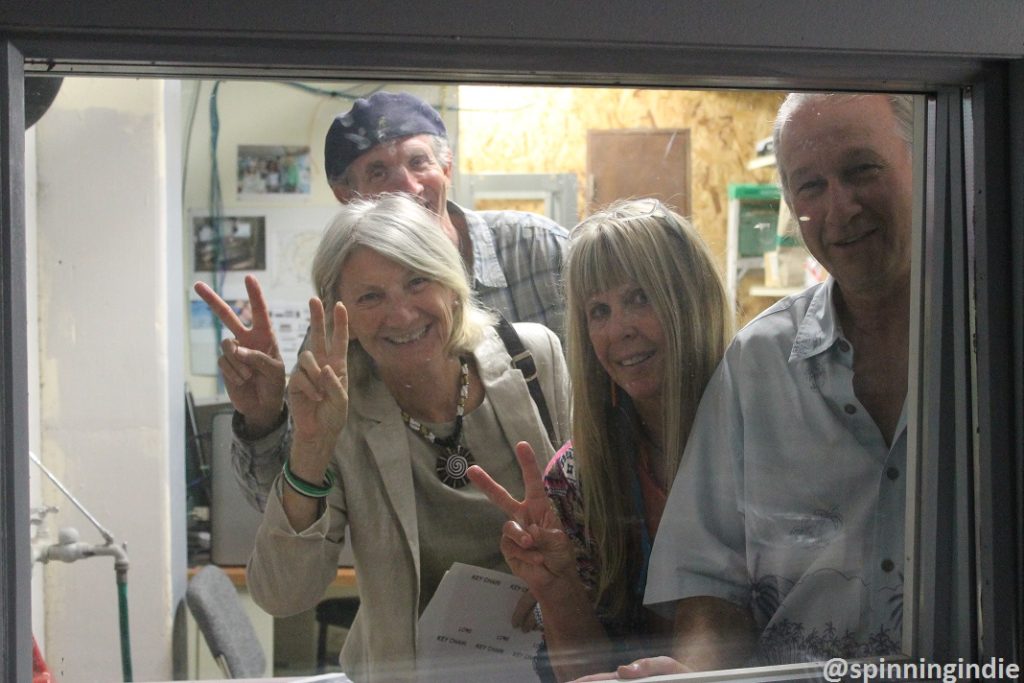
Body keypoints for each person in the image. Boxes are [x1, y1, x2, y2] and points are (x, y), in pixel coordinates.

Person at [583, 92, 914, 681]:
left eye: (862, 170)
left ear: (928, 165)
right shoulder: (758, 364)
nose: (840, 209)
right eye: (809, 187)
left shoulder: (994, 349)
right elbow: (711, 591)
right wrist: (698, 675)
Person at [238, 193, 570, 683]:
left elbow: (598, 521)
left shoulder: (533, 358)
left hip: (553, 661)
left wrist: (562, 588)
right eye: (371, 297)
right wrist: (309, 444)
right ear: (340, 315)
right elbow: (283, 594)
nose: (401, 315)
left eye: (417, 281)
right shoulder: (339, 413)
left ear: (453, 285)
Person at [197, 90, 569, 511]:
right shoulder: (342, 326)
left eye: (418, 162)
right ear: (346, 195)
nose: (407, 187)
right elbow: (280, 509)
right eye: (378, 172)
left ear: (446, 167)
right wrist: (263, 419)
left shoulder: (543, 252)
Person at [467, 198, 731, 682]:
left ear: (693, 300)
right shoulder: (574, 478)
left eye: (639, 297)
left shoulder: (760, 435)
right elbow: (584, 673)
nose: (619, 329)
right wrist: (558, 585)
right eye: (599, 311)